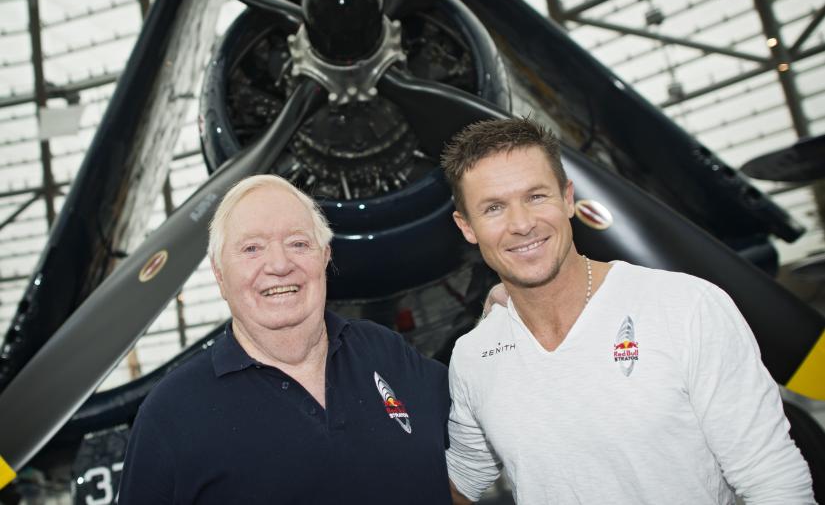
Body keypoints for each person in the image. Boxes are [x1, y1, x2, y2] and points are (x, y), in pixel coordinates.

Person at [439, 118, 814, 504]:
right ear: (466, 226)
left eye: (536, 197)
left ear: (568, 198)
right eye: (494, 208)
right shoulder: (473, 356)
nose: (521, 224)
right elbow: (463, 479)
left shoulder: (685, 307)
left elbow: (772, 478)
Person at [118, 175, 452, 504]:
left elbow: (477, 416)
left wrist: (500, 311)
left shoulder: (383, 349)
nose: (279, 264)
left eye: (298, 243)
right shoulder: (171, 414)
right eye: (252, 248)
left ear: (325, 257)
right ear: (220, 275)